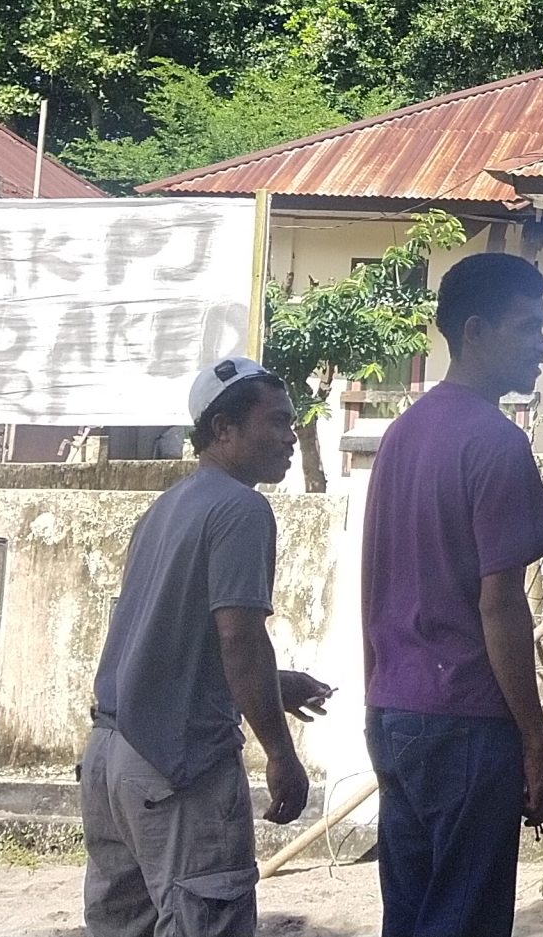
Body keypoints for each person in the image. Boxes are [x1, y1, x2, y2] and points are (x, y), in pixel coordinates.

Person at [84, 356, 332, 937]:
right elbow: (238, 638)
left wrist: (274, 686)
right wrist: (281, 753)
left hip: (111, 759)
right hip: (176, 765)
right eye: (277, 421)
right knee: (206, 920)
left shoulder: (166, 508)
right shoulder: (241, 509)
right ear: (224, 429)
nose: (290, 436)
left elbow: (171, 644)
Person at [363, 252, 543, 937]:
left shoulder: (400, 434)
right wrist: (533, 738)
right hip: (468, 721)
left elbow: (375, 583)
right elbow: (500, 603)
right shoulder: (496, 442)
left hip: (397, 711)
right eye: (527, 325)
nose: (542, 343)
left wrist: (374, 702)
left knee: (412, 915)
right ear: (475, 330)